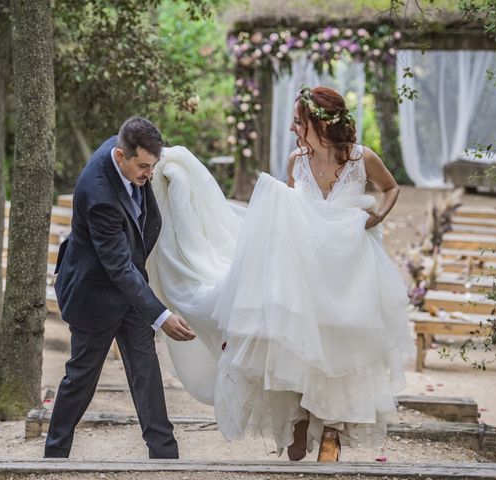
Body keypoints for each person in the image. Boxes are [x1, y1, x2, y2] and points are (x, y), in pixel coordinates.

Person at [147, 87, 414, 463]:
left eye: (298, 121)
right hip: (304, 270)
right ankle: (301, 417)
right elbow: (290, 215)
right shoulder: (295, 162)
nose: (293, 127)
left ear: (320, 123)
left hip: (349, 268)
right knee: (299, 344)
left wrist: (376, 217)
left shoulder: (361, 158)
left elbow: (390, 188)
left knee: (342, 346)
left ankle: (333, 430)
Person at [44, 116, 196, 460]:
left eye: (152, 166)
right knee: (80, 379)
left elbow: (136, 245)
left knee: (146, 370)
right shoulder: (98, 196)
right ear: (120, 155)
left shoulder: (132, 152)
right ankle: (54, 456)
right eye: (142, 166)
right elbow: (117, 267)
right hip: (93, 294)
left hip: (129, 290)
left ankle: (165, 457)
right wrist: (161, 316)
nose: (148, 174)